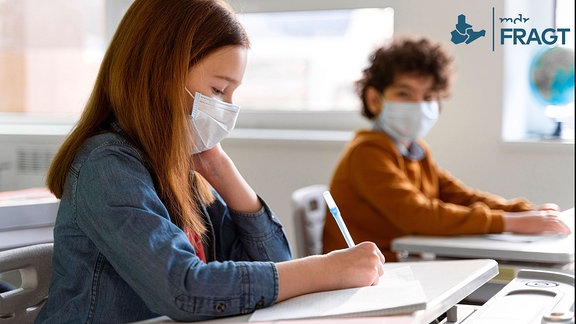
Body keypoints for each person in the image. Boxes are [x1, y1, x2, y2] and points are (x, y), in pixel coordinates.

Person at [35, 0, 385, 322]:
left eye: (233, 94)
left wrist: (222, 171)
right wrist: (328, 270)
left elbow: (276, 266)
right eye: (219, 90)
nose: (227, 108)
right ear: (161, 74)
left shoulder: (183, 172)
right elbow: (185, 288)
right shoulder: (107, 166)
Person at [321, 37, 571, 262]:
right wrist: (510, 223)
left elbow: (460, 196)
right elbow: (419, 215)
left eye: (428, 97)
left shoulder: (416, 152)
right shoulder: (366, 153)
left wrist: (523, 211)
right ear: (375, 99)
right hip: (370, 277)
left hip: (403, 267)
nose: (418, 105)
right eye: (404, 94)